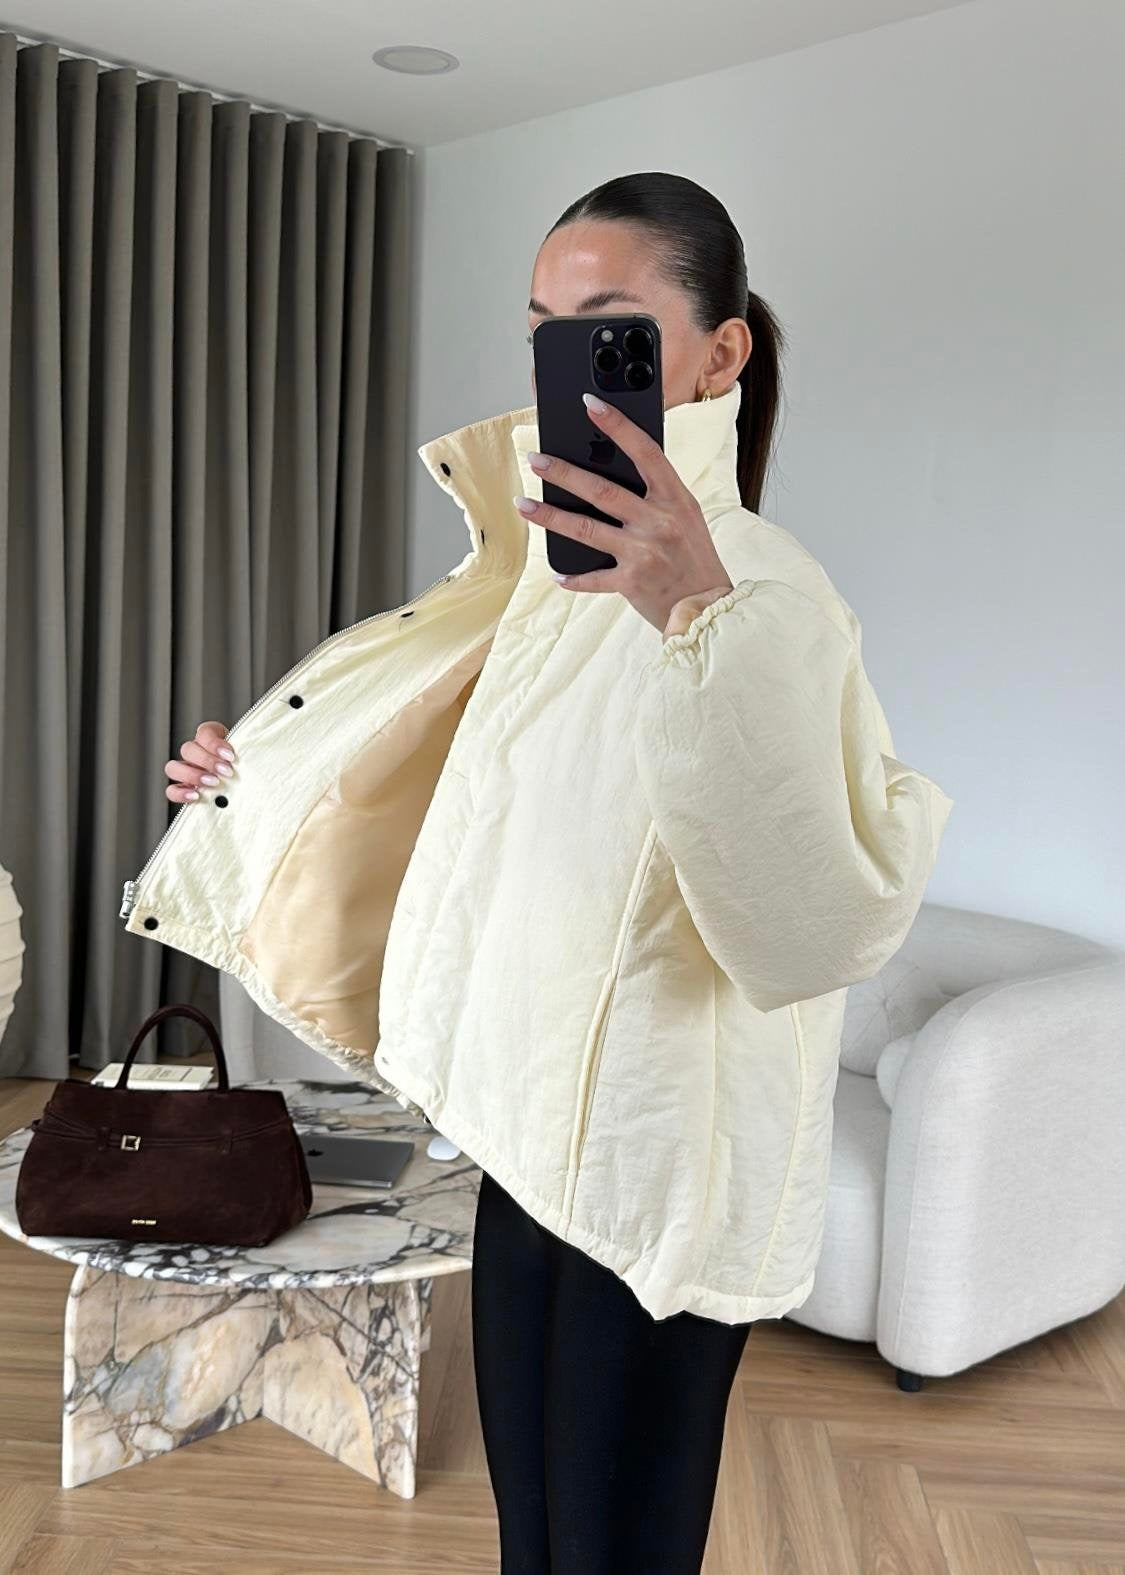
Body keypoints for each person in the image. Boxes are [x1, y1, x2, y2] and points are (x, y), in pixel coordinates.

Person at [161, 172, 953, 1573]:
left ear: (717, 355)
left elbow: (806, 923)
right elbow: (470, 803)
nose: (563, 361)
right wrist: (261, 776)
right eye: (541, 328)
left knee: (611, 1553)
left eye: (608, 328)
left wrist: (693, 615)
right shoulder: (541, 580)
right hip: (524, 1140)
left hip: (654, 1176)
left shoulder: (770, 592)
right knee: (531, 1536)